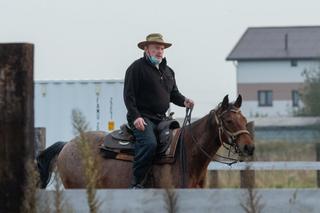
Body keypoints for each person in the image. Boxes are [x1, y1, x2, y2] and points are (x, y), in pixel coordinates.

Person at [123, 33, 194, 188]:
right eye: (156, 48)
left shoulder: (169, 71)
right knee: (149, 144)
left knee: (178, 143)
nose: (160, 51)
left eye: (162, 48)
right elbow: (129, 96)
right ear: (146, 49)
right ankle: (136, 183)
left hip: (162, 119)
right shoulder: (136, 68)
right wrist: (136, 117)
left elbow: (173, 94)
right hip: (142, 118)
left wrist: (184, 101)